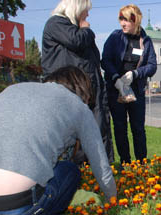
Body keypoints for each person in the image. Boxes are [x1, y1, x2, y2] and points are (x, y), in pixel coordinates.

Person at [0, 66, 117, 214]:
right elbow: (101, 167)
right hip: (17, 205)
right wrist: (112, 199)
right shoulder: (79, 107)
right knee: (70, 171)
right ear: (84, 91)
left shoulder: (13, 89)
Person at [41, 0, 114, 163]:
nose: (87, 15)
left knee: (94, 133)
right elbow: (76, 41)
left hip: (87, 92)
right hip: (69, 92)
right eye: (85, 10)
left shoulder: (75, 29)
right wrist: (86, 29)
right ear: (77, 9)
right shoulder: (56, 23)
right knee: (72, 140)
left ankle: (96, 171)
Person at [101, 4, 157, 166]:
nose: (122, 23)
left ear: (135, 21)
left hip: (136, 91)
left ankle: (141, 164)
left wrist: (135, 74)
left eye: (126, 20)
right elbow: (106, 60)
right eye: (121, 19)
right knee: (120, 129)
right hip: (116, 89)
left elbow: (152, 66)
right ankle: (126, 163)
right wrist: (116, 78)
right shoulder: (115, 37)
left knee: (138, 129)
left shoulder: (145, 41)